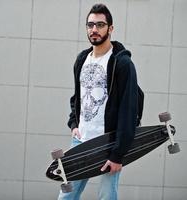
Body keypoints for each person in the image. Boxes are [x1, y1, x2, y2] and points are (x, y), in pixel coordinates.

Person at [58, 3, 138, 200]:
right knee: (66, 196)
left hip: (108, 142)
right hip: (81, 140)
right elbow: (78, 97)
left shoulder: (123, 63)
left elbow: (129, 109)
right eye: (90, 25)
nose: (94, 29)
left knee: (106, 196)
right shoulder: (81, 59)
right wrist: (74, 123)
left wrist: (118, 154)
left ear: (110, 28)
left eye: (100, 25)